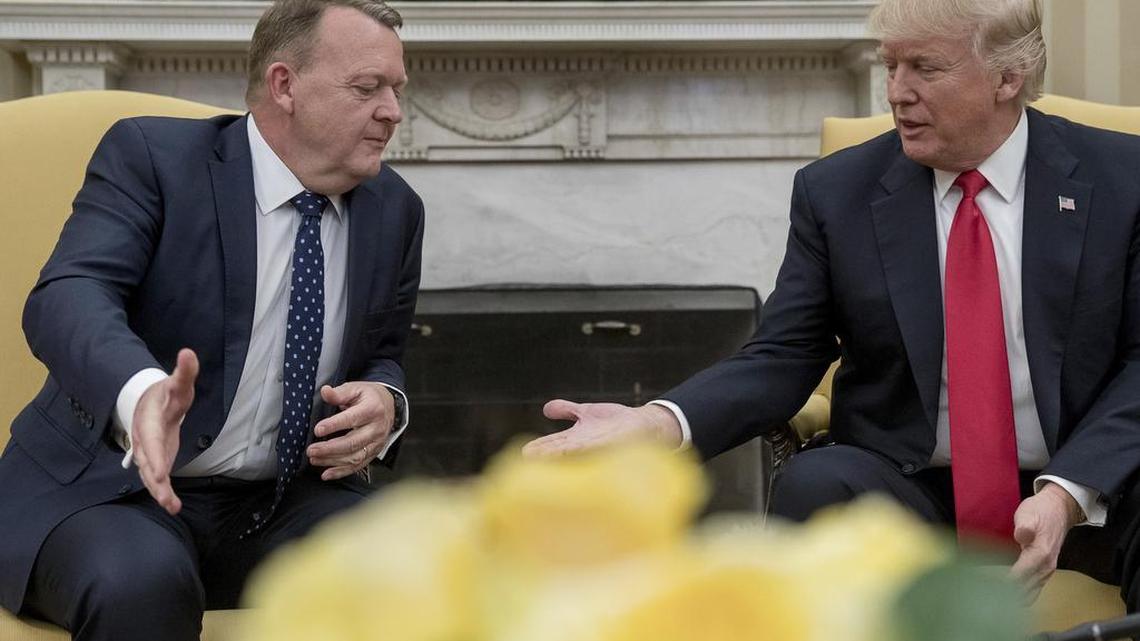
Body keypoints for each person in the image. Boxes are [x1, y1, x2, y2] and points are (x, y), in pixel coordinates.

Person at [526, 0, 1140, 611]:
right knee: (815, 483)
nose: (897, 92)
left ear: (1008, 77)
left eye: (924, 68)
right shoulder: (836, 191)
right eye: (890, 65)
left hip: (1090, 489)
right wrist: (658, 423)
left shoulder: (1124, 180)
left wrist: (1065, 492)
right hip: (909, 489)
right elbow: (786, 353)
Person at [0, 1, 423, 639]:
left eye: (396, 89)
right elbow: (68, 294)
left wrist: (386, 402)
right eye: (367, 88)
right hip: (112, 489)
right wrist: (140, 393)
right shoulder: (155, 158)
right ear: (285, 85)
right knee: (141, 583)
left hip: (280, 503)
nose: (392, 110)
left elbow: (381, 353)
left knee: (426, 559)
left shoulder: (395, 208)